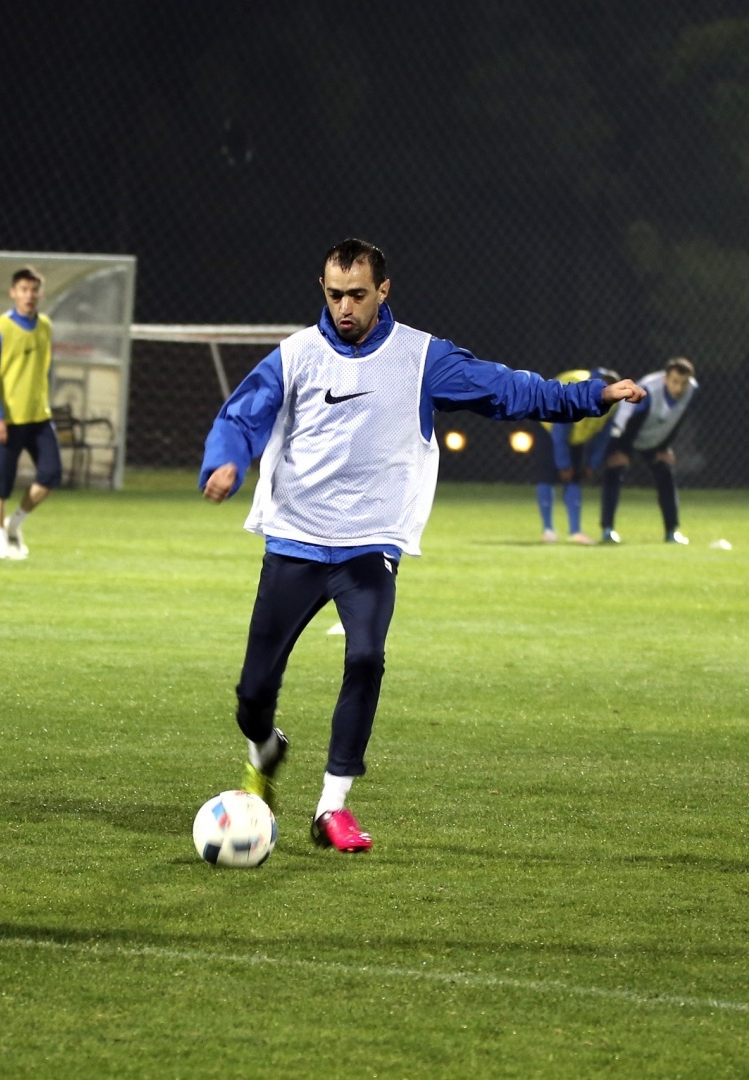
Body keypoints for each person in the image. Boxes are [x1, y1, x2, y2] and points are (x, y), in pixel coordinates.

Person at [199, 239, 646, 853]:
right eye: (335, 294)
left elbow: (507, 391)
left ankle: (332, 807)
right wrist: (225, 462)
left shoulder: (422, 357)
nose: (345, 307)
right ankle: (264, 747)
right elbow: (241, 416)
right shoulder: (296, 355)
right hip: (295, 540)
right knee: (253, 694)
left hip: (371, 544)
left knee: (365, 657)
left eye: (358, 294)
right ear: (323, 289)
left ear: (383, 291)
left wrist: (592, 396)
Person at [0, 266, 60, 559]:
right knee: (0, 483)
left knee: (51, 475)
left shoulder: (45, 326)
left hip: (39, 418)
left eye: (34, 290)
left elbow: (44, 369)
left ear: (41, 293)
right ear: (13, 292)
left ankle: (13, 524)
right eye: (24, 289)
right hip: (9, 420)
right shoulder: (0, 328)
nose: (29, 295)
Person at [599, 358, 699, 545]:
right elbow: (629, 421)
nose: (679, 388)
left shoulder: (691, 389)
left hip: (654, 439)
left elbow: (677, 419)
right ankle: (608, 530)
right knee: (614, 472)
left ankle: (672, 532)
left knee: (665, 475)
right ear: (665, 378)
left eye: (683, 383)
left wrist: (664, 447)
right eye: (675, 382)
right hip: (627, 434)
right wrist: (621, 450)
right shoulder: (648, 390)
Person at [533, 368, 620, 545]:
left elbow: (602, 437)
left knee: (574, 478)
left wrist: (592, 464)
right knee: (547, 475)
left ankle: (575, 531)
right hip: (548, 423)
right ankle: (548, 530)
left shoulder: (613, 403)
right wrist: (564, 465)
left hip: (576, 433)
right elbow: (559, 431)